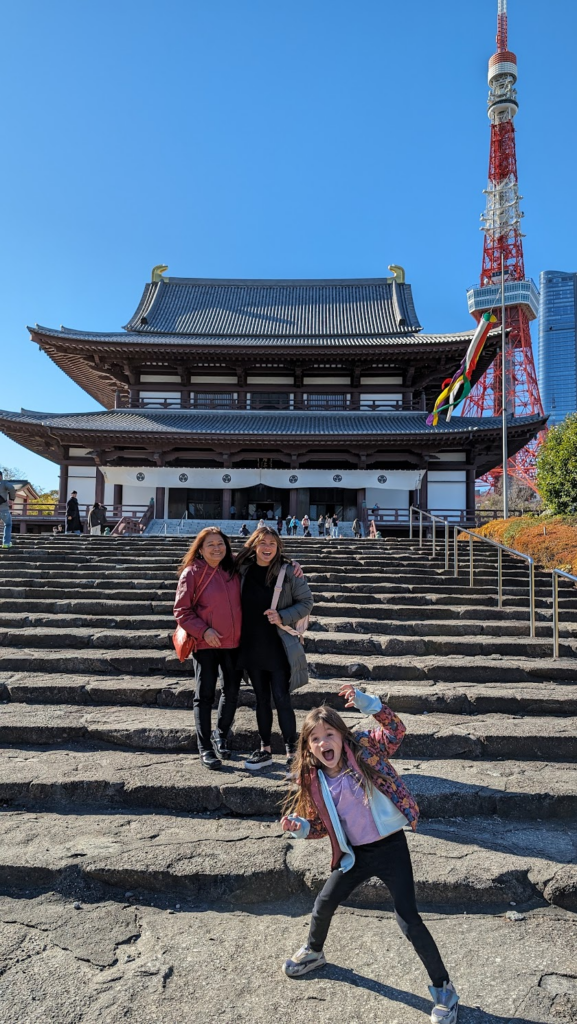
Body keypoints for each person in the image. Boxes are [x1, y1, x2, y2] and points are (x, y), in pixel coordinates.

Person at [280, 685, 459, 1024]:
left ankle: (444, 990)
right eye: (314, 739)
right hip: (355, 856)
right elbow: (321, 827)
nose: (322, 743)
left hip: (391, 848)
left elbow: (396, 731)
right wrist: (301, 827)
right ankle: (314, 953)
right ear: (307, 747)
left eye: (328, 734)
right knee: (324, 903)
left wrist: (370, 705)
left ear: (341, 735)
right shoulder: (314, 780)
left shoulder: (365, 749)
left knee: (408, 919)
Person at [235, 527, 313, 773]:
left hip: (278, 645)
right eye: (262, 542)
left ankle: (292, 750)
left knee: (281, 697)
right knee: (261, 699)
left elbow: (307, 602)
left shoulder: (288, 571)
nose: (267, 547)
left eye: (272, 543)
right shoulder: (242, 569)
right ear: (254, 544)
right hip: (251, 643)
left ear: (278, 546)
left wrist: (282, 615)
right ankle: (265, 749)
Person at [173, 528, 243, 770]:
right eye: (210, 544)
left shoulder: (234, 567)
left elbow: (268, 557)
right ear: (200, 549)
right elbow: (181, 611)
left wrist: (293, 565)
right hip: (206, 643)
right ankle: (205, 748)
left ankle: (221, 734)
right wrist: (203, 631)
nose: (216, 548)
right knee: (204, 696)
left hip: (234, 642)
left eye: (220, 543)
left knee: (232, 692)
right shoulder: (192, 573)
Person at [0, 471, 16, 549]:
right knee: (8, 525)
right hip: (3, 509)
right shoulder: (4, 483)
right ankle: (6, 543)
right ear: (1, 476)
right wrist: (11, 499)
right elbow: (12, 488)